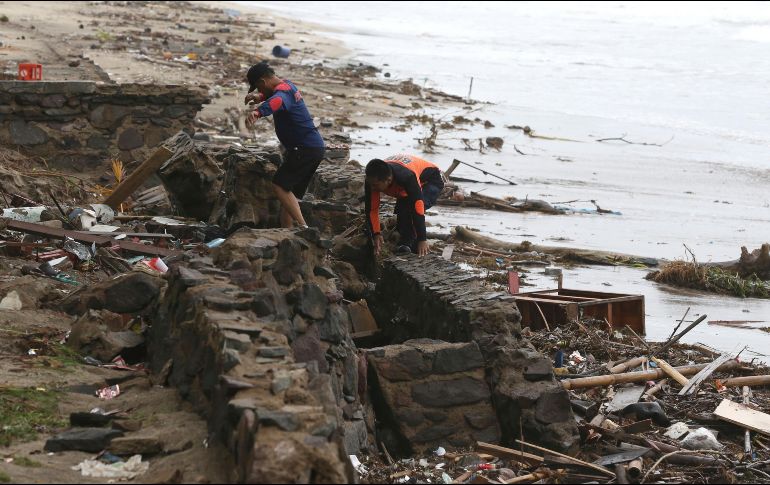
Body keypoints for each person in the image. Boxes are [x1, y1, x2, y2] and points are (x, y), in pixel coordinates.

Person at [244, 61, 325, 228]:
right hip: (313, 148)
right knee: (288, 194)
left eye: (258, 88)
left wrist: (258, 112)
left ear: (262, 81)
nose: (259, 90)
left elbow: (278, 101)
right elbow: (275, 95)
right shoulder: (287, 85)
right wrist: (259, 97)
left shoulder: (282, 94)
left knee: (279, 186)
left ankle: (304, 228)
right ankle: (287, 232)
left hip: (304, 149)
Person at [364, 154, 445, 257]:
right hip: (405, 183)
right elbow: (372, 210)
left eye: (375, 185)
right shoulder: (372, 181)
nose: (372, 188)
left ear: (388, 180)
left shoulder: (407, 177)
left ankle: (414, 248)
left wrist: (422, 239)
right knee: (401, 213)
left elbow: (417, 209)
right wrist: (376, 234)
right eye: (370, 184)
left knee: (410, 211)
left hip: (431, 181)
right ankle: (405, 244)